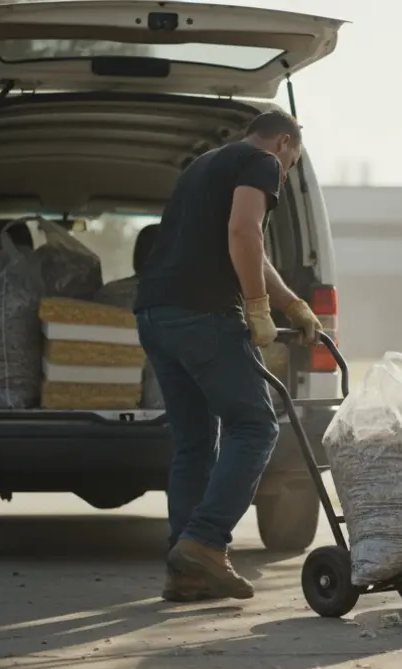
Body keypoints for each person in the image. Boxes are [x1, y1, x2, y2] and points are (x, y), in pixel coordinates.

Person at [134, 110, 322, 602]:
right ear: (283, 143)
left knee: (195, 440)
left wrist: (292, 305)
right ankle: (206, 543)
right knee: (255, 426)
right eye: (290, 165)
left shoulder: (204, 166)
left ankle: (187, 567)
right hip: (203, 316)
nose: (283, 176)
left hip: (156, 316)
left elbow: (249, 249)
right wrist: (256, 308)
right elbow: (246, 232)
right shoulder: (260, 161)